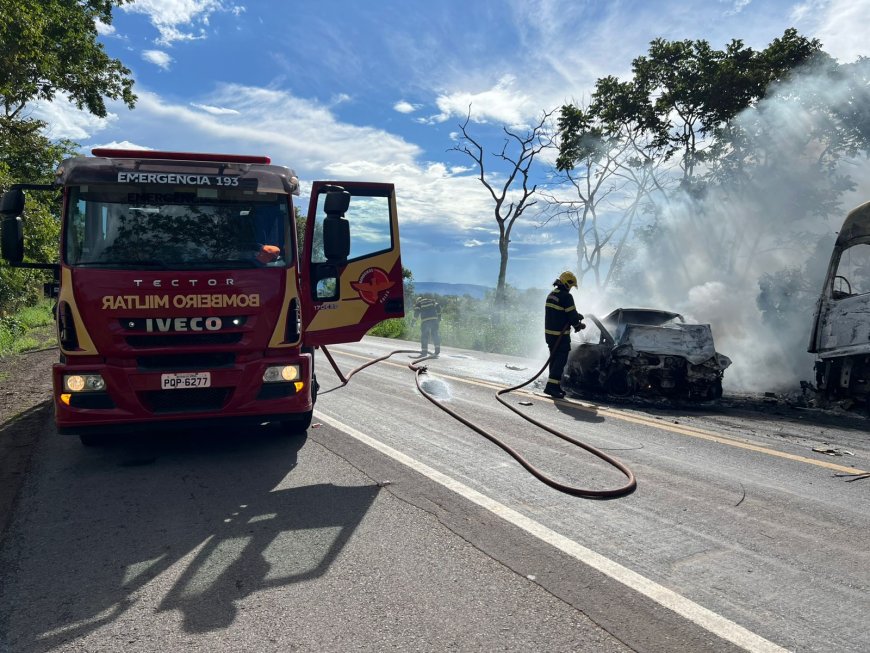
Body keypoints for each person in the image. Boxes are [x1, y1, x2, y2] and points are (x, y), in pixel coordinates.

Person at [544, 271, 585, 398]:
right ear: (567, 284)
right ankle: (551, 387)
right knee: (560, 361)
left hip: (550, 335)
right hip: (560, 336)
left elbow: (562, 312)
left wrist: (576, 316)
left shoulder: (552, 294)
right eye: (571, 286)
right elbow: (571, 316)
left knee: (554, 359)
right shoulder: (566, 297)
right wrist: (578, 325)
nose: (571, 289)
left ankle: (554, 386)